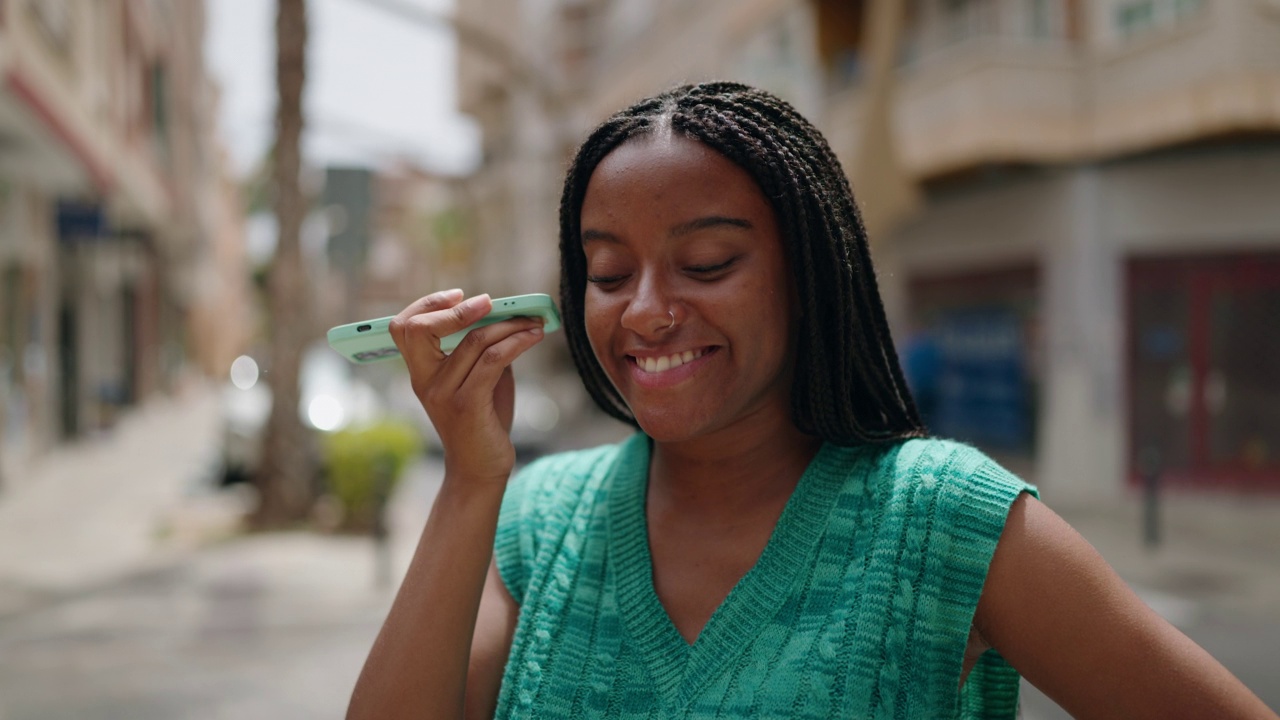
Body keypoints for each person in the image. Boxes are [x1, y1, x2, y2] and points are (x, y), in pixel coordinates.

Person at [347, 83, 1275, 719]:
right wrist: (473, 480)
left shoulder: (942, 517)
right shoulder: (536, 521)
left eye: (707, 265)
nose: (648, 312)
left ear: (809, 276)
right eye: (608, 271)